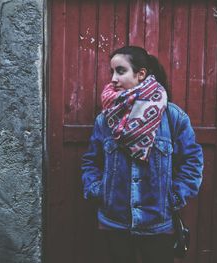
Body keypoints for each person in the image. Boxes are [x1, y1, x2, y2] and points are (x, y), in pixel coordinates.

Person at [81, 46, 203, 263]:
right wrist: (99, 190)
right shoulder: (105, 119)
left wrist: (174, 197)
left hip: (157, 222)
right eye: (112, 72)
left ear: (141, 74)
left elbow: (192, 161)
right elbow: (91, 161)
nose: (113, 79)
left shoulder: (172, 117)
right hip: (115, 221)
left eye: (120, 71)